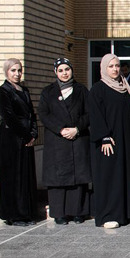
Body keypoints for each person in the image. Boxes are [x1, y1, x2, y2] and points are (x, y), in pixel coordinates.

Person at [88, 54, 130, 229]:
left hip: (127, 140)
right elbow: (95, 115)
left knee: (126, 173)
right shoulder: (98, 89)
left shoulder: (125, 88)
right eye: (111, 66)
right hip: (109, 142)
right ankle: (109, 215)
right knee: (110, 177)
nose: (115, 69)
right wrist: (104, 137)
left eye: (117, 66)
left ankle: (128, 212)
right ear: (104, 68)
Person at [37, 57, 92, 225]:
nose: (64, 73)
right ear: (56, 72)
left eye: (67, 69)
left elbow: (89, 113)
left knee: (78, 179)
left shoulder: (81, 90)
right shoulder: (48, 92)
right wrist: (61, 129)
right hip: (57, 141)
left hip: (77, 139)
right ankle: (59, 213)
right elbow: (43, 114)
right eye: (60, 70)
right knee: (57, 179)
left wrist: (77, 128)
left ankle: (78, 212)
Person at [0, 58, 40, 226]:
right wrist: (26, 136)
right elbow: (9, 117)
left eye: (19, 70)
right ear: (6, 71)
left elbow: (31, 114)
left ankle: (27, 213)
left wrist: (33, 133)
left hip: (26, 138)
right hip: (11, 138)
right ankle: (13, 215)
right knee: (13, 177)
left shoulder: (24, 90)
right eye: (13, 70)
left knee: (25, 175)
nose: (17, 74)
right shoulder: (3, 91)